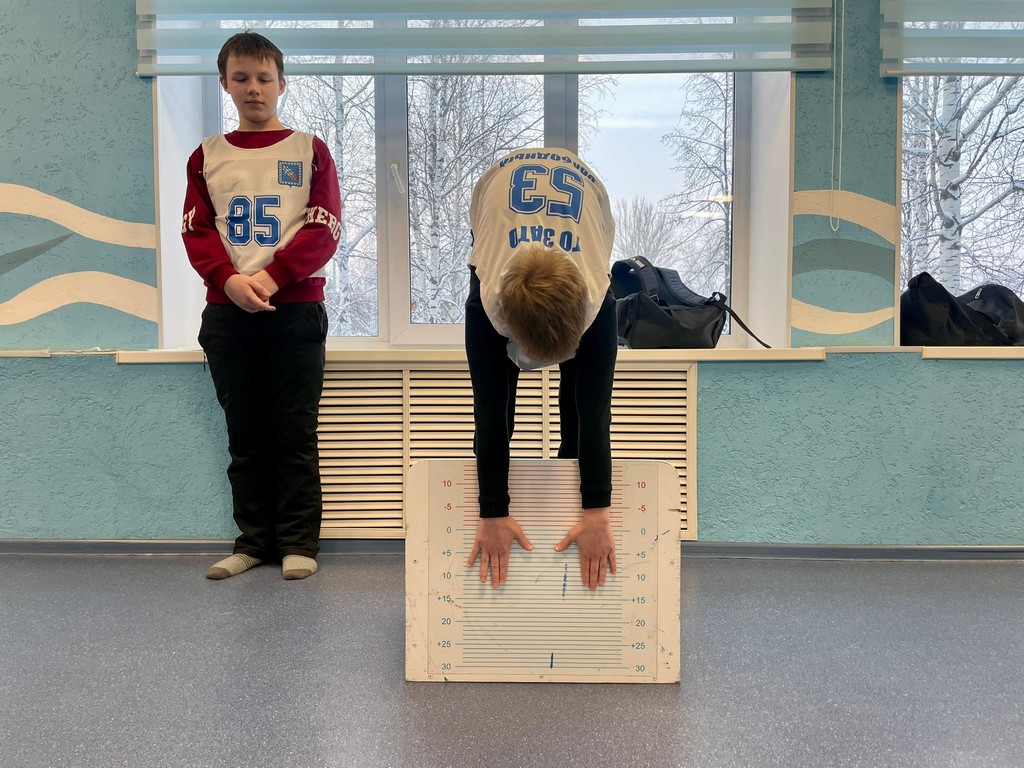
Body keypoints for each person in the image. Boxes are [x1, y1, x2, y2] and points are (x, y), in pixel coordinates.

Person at [181, 32, 342, 580]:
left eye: (264, 78)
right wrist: (228, 281)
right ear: (225, 84)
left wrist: (272, 278)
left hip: (294, 313)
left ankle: (298, 543)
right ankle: (252, 542)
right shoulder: (207, 155)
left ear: (281, 84)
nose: (254, 88)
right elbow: (197, 231)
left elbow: (324, 227)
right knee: (245, 437)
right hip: (228, 314)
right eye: (242, 78)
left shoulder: (309, 149)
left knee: (294, 434)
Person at [464, 148, 618, 592]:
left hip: (587, 207)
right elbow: (489, 412)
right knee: (499, 403)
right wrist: (493, 511)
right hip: (496, 200)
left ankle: (572, 484)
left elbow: (596, 413)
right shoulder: (485, 298)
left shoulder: (598, 299)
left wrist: (596, 512)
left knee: (580, 405)